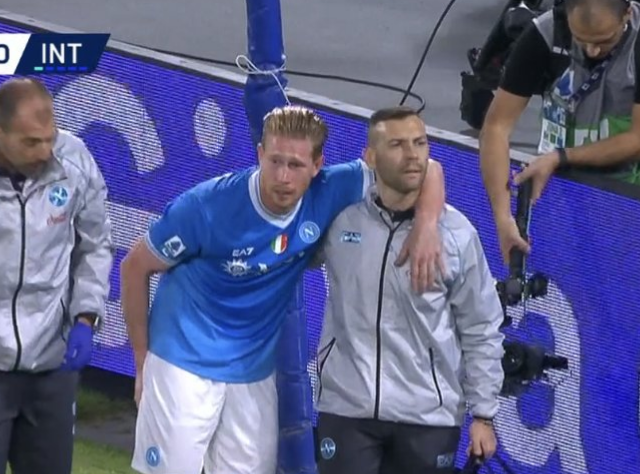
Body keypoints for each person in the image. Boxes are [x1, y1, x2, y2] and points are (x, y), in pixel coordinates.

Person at [120, 104, 447, 474]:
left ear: (317, 165)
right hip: (182, 360)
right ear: (260, 154)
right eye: (274, 161)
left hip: (253, 369)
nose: (283, 177)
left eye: (295, 165)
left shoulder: (333, 189)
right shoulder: (206, 206)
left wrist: (427, 224)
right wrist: (142, 361)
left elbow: (427, 168)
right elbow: (134, 267)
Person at [314, 106, 505, 474]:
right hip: (347, 408)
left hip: (428, 418)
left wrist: (484, 414)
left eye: (420, 143)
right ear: (370, 157)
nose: (413, 154)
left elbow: (481, 326)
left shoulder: (458, 234)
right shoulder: (341, 221)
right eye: (397, 145)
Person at [0, 77, 113, 474]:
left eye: (50, 137)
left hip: (52, 366)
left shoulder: (75, 162)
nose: (45, 152)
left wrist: (86, 317)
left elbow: (95, 245)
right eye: (31, 142)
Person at [480, 0, 640, 262]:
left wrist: (561, 156)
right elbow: (496, 127)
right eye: (581, 38)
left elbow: (638, 138)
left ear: (627, 14)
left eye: (604, 40)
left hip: (628, 194)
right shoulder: (544, 34)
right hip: (559, 191)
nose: (592, 50)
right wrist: (502, 217)